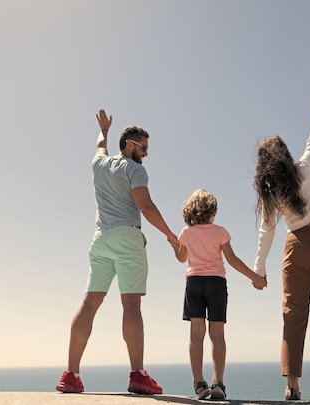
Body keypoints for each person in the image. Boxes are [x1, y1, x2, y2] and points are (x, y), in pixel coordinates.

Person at [56, 109, 180, 395]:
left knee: (89, 304)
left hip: (100, 239)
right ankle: (138, 375)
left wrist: (104, 129)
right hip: (127, 238)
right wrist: (171, 236)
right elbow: (146, 206)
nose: (147, 154)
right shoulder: (135, 170)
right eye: (144, 147)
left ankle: (71, 375)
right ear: (130, 145)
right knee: (132, 305)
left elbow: (100, 145)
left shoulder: (99, 163)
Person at [252, 80, 310, 401]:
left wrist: (259, 268)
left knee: (293, 314)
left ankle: (292, 386)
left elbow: (267, 231)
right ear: (285, 155)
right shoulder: (306, 168)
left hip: (297, 248)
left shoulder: (271, 194)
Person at [173, 189, 267, 400]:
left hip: (194, 283)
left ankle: (199, 384)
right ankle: (218, 384)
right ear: (212, 211)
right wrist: (255, 277)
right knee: (217, 335)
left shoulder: (186, 232)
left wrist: (175, 245)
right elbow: (232, 260)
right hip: (216, 283)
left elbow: (181, 258)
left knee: (196, 335)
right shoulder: (220, 231)